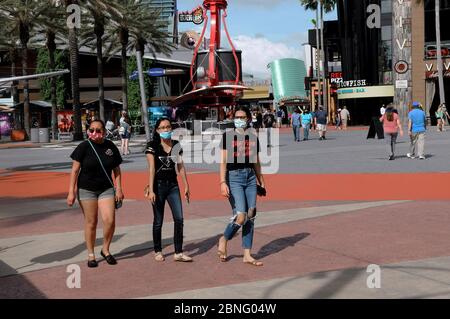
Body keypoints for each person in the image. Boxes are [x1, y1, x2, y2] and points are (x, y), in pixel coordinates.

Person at [67, 119, 124, 268]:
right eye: (91, 130)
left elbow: (117, 170)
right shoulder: (83, 147)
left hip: (106, 189)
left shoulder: (110, 147)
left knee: (110, 220)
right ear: (88, 131)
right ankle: (91, 254)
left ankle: (105, 249)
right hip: (86, 190)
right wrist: (71, 192)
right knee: (91, 222)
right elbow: (74, 171)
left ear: (104, 132)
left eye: (98, 130)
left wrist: (119, 188)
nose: (94, 133)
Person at [217, 106, 266, 266]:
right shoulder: (227, 136)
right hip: (234, 177)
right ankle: (224, 238)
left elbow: (256, 161)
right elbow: (223, 161)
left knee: (251, 216)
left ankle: (247, 254)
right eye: (236, 117)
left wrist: (261, 181)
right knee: (241, 216)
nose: (239, 119)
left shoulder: (252, 136)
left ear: (248, 119)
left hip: (250, 177)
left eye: (242, 117)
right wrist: (222, 182)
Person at [144, 118, 192, 262]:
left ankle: (178, 252)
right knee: (158, 220)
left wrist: (186, 185)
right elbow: (151, 169)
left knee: (179, 218)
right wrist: (151, 189)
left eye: (168, 127)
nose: (166, 130)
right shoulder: (152, 146)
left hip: (173, 186)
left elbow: (180, 166)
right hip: (158, 186)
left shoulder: (176, 145)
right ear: (157, 130)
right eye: (162, 127)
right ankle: (157, 250)